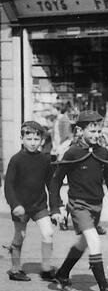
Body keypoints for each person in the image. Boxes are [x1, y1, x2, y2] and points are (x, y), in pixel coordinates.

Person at [48, 110, 108, 291]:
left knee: (83, 243)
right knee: (94, 241)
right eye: (92, 131)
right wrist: (56, 208)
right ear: (80, 130)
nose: (96, 135)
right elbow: (55, 181)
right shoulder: (72, 152)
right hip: (78, 205)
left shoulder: (102, 152)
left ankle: (63, 274)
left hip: (96, 205)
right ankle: (104, 289)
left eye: (98, 131)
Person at [4, 121, 56, 282]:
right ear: (22, 139)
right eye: (29, 139)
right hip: (21, 206)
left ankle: (46, 269)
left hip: (39, 205)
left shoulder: (45, 160)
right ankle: (15, 270)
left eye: (36, 139)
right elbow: (9, 186)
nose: (32, 143)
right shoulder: (16, 160)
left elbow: (51, 185)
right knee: (20, 236)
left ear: (41, 140)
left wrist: (56, 208)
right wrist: (15, 205)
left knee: (48, 233)